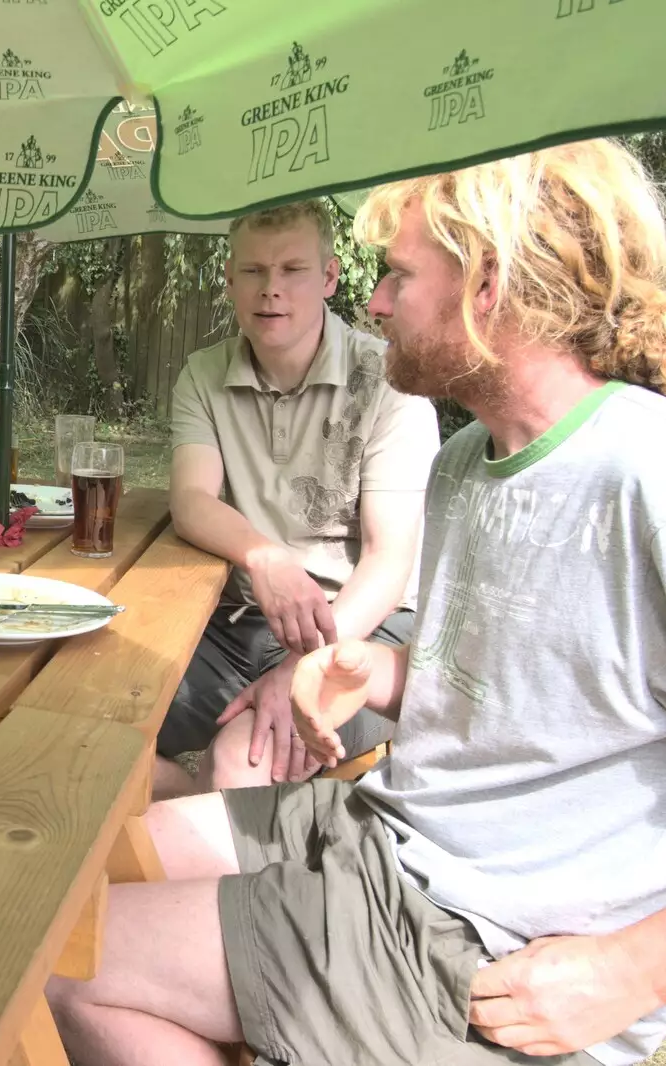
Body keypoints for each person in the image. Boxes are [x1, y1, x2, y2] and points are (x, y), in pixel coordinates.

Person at [47, 138, 666, 1066]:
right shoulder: (468, 461)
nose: (374, 303)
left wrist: (638, 969)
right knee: (82, 861)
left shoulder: (653, 473)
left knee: (62, 968)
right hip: (384, 830)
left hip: (483, 936)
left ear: (489, 284)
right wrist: (377, 667)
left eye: (395, 275)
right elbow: (529, 688)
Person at [157, 199, 439, 798]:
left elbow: (389, 565)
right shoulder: (204, 375)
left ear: (330, 278)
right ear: (229, 281)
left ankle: (231, 859)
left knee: (239, 762)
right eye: (254, 272)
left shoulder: (392, 383)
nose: (271, 291)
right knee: (102, 719)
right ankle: (191, 813)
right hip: (237, 624)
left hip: (365, 630)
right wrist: (267, 560)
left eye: (292, 270)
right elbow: (190, 500)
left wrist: (301, 669)